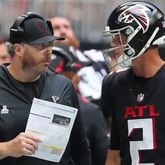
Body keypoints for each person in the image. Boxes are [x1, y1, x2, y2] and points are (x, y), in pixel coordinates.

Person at [0, 12, 91, 165]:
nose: (48, 51)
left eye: (50, 44)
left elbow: (81, 148)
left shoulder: (63, 85)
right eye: (40, 45)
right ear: (18, 50)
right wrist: (7, 148)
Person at [101, 1, 165, 164]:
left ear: (141, 36)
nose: (113, 43)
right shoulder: (114, 84)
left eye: (119, 36)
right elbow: (114, 153)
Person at [50, 46, 109, 165]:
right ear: (68, 74)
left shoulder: (22, 102)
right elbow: (103, 158)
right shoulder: (89, 111)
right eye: (76, 73)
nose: (78, 79)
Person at [49, 16, 108, 104]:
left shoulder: (95, 55)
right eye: (56, 28)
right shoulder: (44, 63)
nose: (63, 31)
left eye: (66, 27)